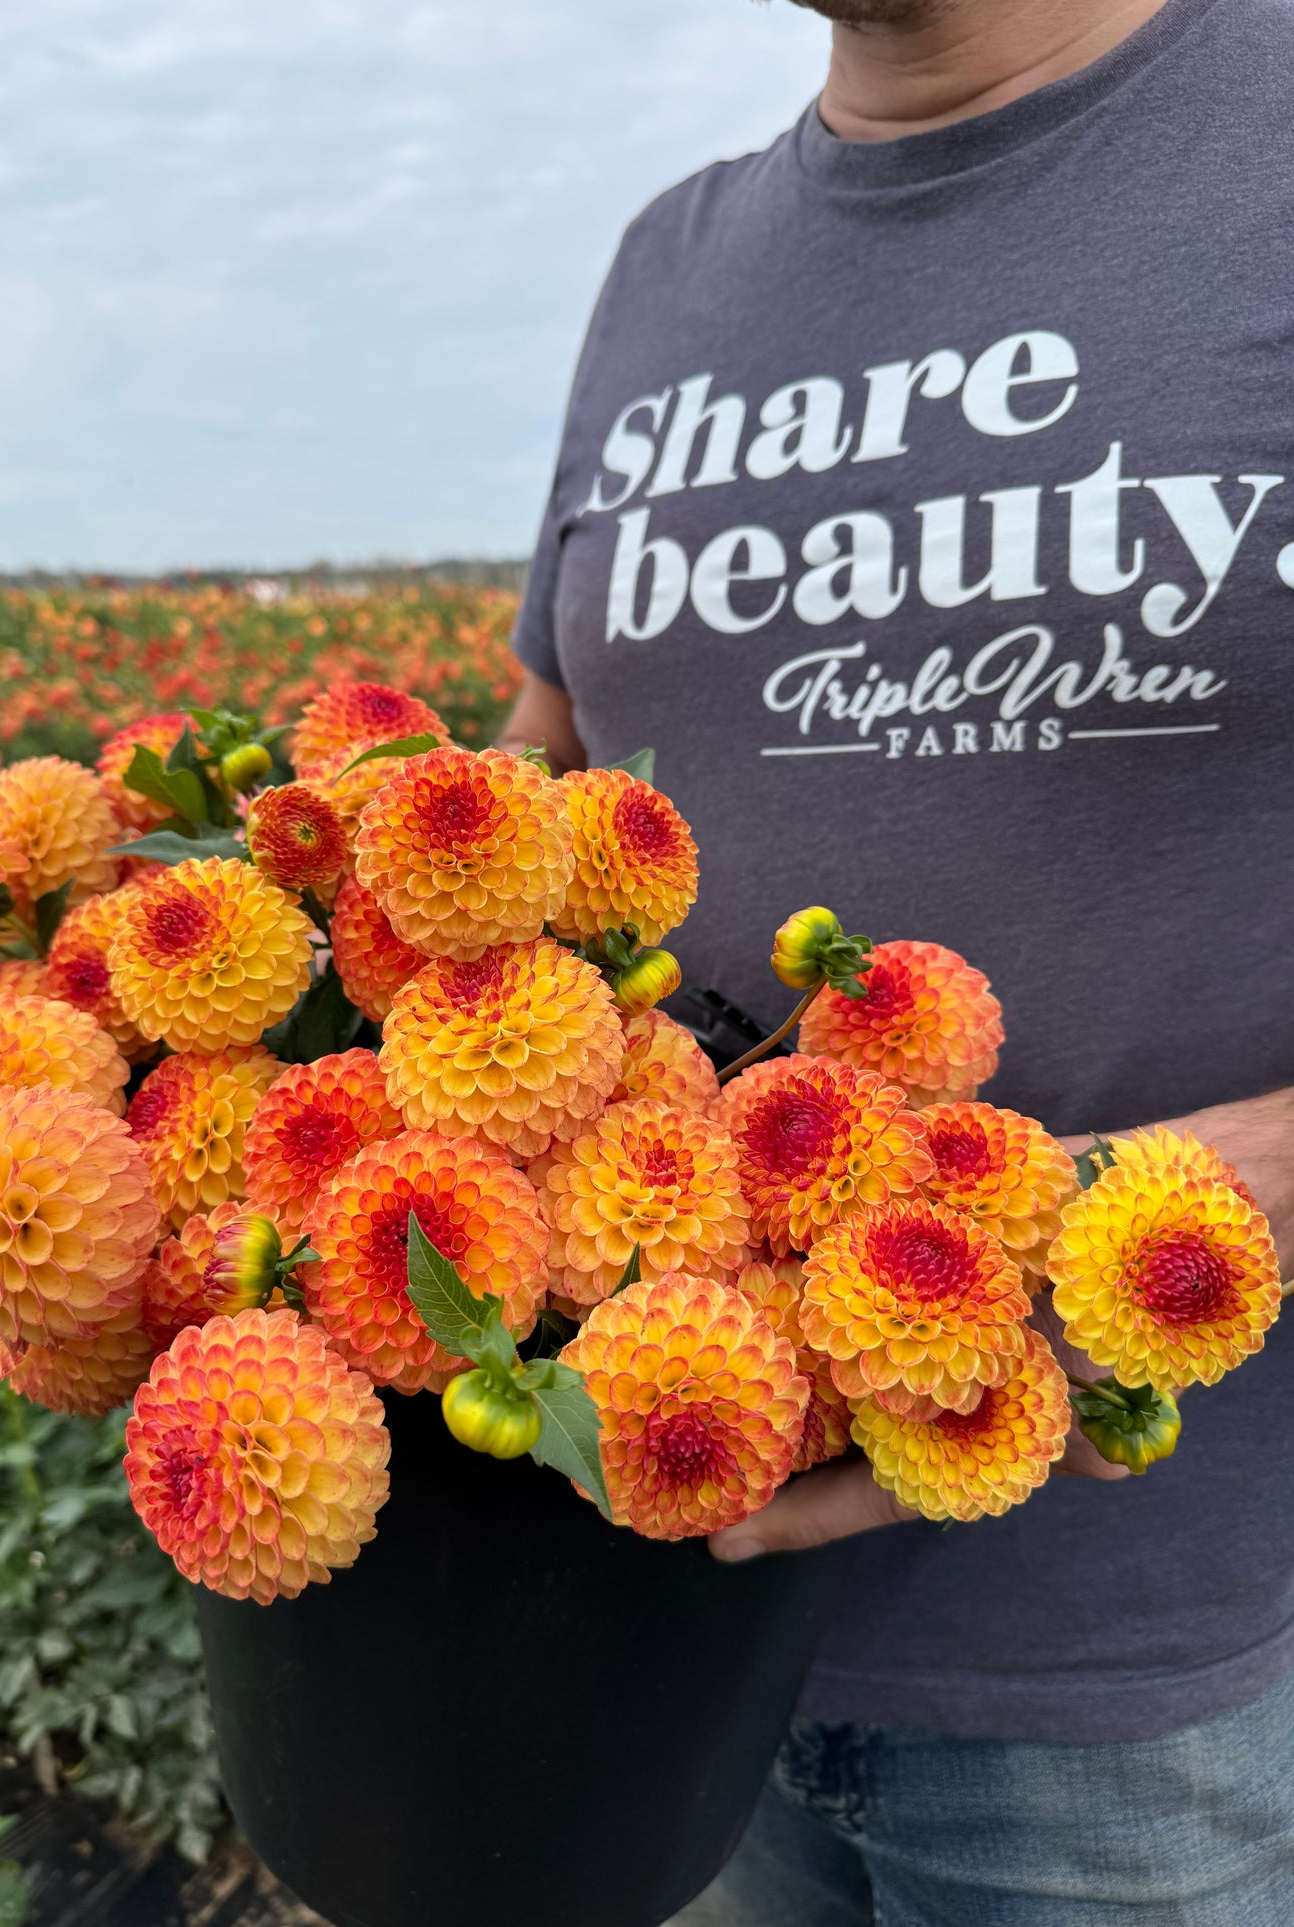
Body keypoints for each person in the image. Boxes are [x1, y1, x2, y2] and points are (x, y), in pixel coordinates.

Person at [498, 0, 1294, 1918]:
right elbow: (530, 798)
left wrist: (1224, 1195)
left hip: (1157, 1685)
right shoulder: (669, 261)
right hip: (656, 1603)